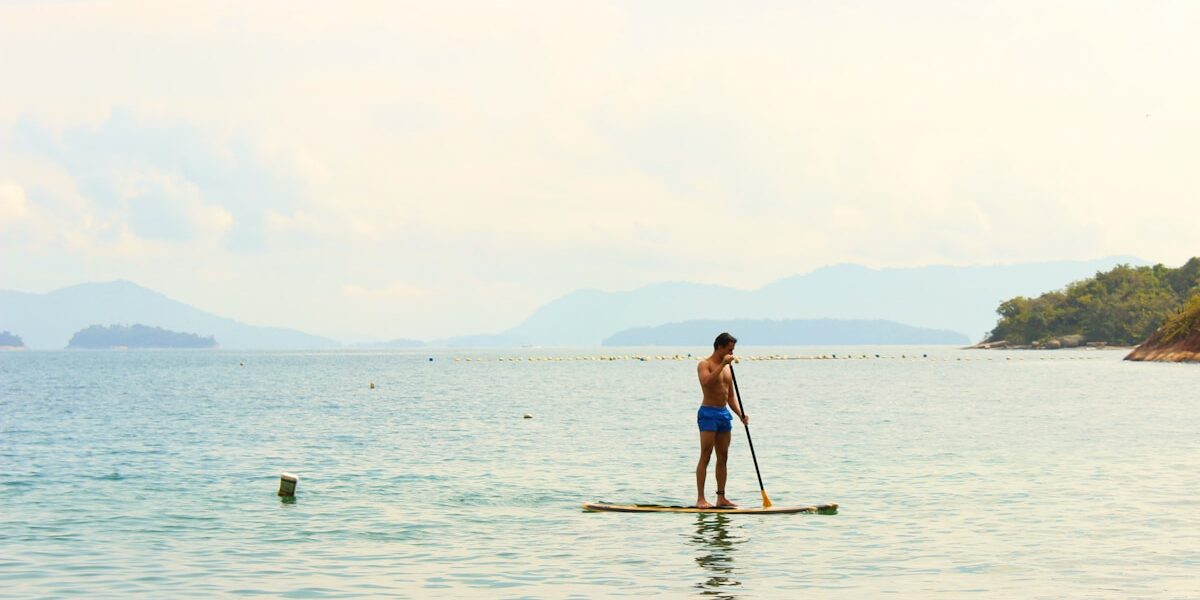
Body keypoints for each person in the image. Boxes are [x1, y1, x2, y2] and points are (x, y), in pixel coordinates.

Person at [695, 332, 748, 508]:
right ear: (719, 347)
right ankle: (701, 499)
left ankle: (721, 497)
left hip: (724, 414)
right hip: (708, 413)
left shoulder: (728, 368)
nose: (732, 353)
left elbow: (730, 396)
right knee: (706, 455)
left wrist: (740, 414)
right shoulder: (705, 364)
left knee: (723, 456)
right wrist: (723, 364)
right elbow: (707, 383)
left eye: (733, 349)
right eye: (729, 349)